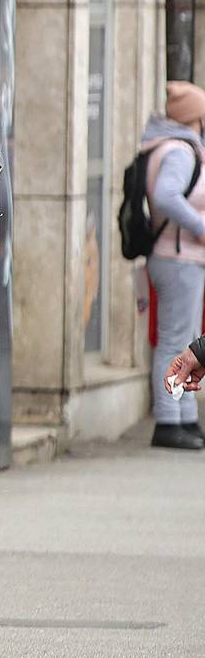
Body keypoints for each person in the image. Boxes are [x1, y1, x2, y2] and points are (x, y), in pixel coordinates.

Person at [136, 81, 205, 450]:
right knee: (175, 341)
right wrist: (201, 228)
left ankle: (185, 417)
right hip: (177, 257)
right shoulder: (179, 150)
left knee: (187, 338)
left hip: (180, 257)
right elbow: (166, 195)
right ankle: (168, 419)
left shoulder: (175, 146)